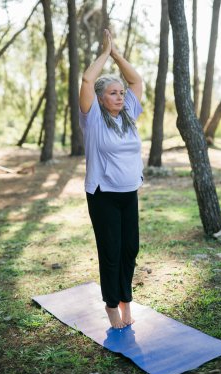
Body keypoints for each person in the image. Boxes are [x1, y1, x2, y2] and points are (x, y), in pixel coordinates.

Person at [79, 29, 143, 329]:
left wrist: (118, 54)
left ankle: (126, 300)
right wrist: (105, 53)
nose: (121, 96)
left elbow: (136, 81)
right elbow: (87, 80)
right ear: (101, 99)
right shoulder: (92, 118)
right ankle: (111, 307)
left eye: (121, 93)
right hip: (103, 195)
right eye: (113, 93)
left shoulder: (128, 114)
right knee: (112, 251)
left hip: (129, 192)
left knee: (130, 249)